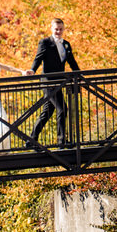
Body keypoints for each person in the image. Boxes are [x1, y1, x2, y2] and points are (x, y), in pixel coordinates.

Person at [24, 18, 80, 148]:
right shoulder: (45, 42)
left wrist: (80, 75)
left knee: (47, 112)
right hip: (48, 82)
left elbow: (72, 62)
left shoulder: (66, 44)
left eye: (61, 29)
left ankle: (31, 140)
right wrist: (32, 70)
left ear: (63, 29)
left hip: (59, 82)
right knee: (62, 109)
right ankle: (61, 142)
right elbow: (38, 58)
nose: (58, 31)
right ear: (51, 28)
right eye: (56, 29)